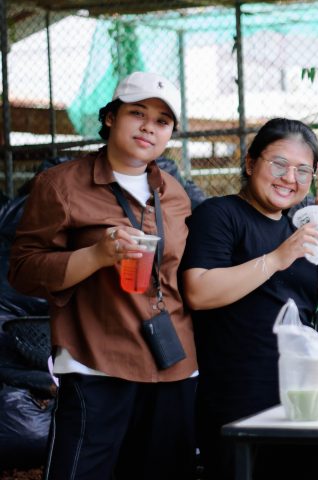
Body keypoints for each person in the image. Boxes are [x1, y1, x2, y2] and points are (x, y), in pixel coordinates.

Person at [8, 72, 197, 479]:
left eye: (162, 121)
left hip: (172, 363)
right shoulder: (60, 185)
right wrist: (96, 255)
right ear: (111, 117)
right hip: (96, 362)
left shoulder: (175, 194)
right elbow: (23, 270)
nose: (149, 127)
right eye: (137, 113)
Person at [180, 117, 318, 479]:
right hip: (236, 399)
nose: (289, 178)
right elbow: (198, 291)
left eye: (302, 170)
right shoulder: (219, 215)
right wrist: (278, 258)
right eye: (279, 164)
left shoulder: (298, 227)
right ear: (251, 163)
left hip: (300, 396)